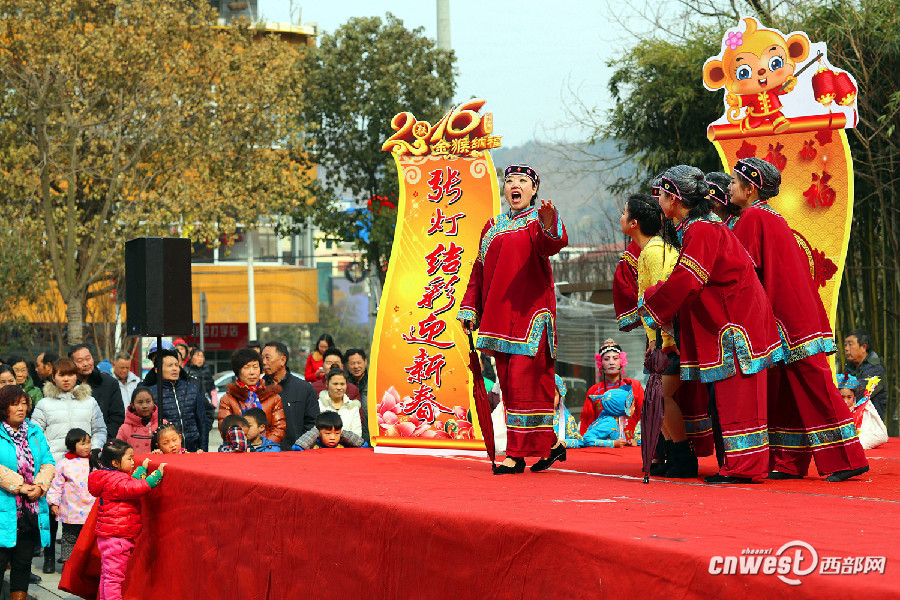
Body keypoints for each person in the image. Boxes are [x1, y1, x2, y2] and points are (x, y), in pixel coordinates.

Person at [639, 164, 785, 484]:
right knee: (733, 394)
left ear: (675, 198)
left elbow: (689, 280)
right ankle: (741, 466)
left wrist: (652, 303)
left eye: (661, 194)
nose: (658, 199)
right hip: (731, 315)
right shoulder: (699, 226)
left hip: (734, 319)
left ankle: (745, 468)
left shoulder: (702, 229)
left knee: (738, 395)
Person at [729, 157, 868, 482]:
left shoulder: (751, 218)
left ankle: (848, 459)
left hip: (788, 319)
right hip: (798, 316)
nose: (730, 187)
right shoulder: (771, 217)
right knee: (791, 390)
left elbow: (743, 276)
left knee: (817, 387)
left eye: (735, 182)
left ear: (751, 189)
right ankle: (790, 462)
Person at [458, 164, 568, 475]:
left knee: (528, 386)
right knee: (508, 386)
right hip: (497, 319)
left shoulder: (538, 222)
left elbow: (553, 243)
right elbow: (478, 272)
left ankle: (517, 454)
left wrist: (550, 221)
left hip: (531, 317)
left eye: (523, 181)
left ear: (534, 190)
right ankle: (550, 445)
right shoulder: (491, 226)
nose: (514, 185)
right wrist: (470, 307)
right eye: (509, 181)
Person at [31, 357, 106, 572]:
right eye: (61, 375)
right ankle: (48, 557)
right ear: (52, 377)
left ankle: (80, 558)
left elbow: (99, 429)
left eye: (71, 374)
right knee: (52, 512)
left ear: (77, 376)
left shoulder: (89, 401)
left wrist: (94, 450)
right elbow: (35, 434)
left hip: (84, 467)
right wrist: (45, 459)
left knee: (81, 515)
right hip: (54, 465)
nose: (67, 379)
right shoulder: (44, 404)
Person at [88, 440, 165, 600]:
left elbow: (129, 482)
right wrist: (155, 477)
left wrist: (141, 470)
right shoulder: (117, 481)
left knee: (107, 576)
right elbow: (135, 487)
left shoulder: (109, 477)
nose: (132, 462)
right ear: (116, 462)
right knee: (114, 579)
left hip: (109, 537)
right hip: (117, 538)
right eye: (129, 459)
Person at [0, 385, 55, 600]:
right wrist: (20, 486)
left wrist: (40, 486)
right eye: (15, 404)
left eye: (24, 403)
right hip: (5, 509)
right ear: (4, 408)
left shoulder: (34, 430)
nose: (21, 409)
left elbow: (48, 461)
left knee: (23, 564)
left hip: (30, 510)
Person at [579, 341, 644, 445]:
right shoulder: (594, 390)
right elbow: (587, 421)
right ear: (600, 363)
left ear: (622, 360)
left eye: (615, 358)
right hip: (604, 446)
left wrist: (639, 440)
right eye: (606, 359)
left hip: (632, 444)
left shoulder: (634, 386)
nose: (611, 362)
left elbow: (645, 416)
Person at [218, 348, 286, 445]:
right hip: (238, 452)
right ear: (238, 371)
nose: (252, 372)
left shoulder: (273, 397)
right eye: (246, 367)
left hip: (267, 452)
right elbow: (225, 429)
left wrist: (263, 447)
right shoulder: (228, 399)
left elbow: (279, 428)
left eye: (255, 367)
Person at [46, 428, 92, 564]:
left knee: (88, 540)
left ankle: (84, 566)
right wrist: (54, 503)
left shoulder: (94, 462)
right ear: (73, 445)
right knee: (69, 538)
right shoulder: (64, 464)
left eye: (89, 442)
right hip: (70, 511)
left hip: (90, 509)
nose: (87, 446)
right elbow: (56, 486)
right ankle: (68, 566)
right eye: (83, 443)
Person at [262, 342, 319, 451]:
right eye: (262, 358)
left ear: (283, 360)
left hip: (296, 454)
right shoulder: (257, 389)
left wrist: (300, 446)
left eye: (268, 358)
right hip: (264, 454)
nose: (264, 362)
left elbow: (313, 424)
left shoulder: (304, 388)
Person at [149, 350, 207, 452]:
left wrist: (203, 448)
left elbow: (202, 422)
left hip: (193, 450)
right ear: (157, 370)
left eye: (176, 365)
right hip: (166, 453)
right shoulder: (152, 393)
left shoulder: (191, 388)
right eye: (170, 365)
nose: (174, 368)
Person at [68, 345, 125, 441]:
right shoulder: (67, 386)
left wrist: (102, 440)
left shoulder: (109, 383)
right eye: (80, 361)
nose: (86, 363)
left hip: (103, 443)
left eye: (88, 358)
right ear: (71, 363)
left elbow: (117, 417)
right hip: (73, 443)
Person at [842, 330, 888, 420]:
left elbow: (856, 394)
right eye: (845, 345)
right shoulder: (849, 367)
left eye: (850, 344)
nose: (846, 349)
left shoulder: (876, 369)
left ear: (863, 347)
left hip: (870, 427)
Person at [838, 375, 887, 451]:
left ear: (854, 397)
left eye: (849, 397)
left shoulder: (861, 410)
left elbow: (880, 436)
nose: (845, 401)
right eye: (842, 397)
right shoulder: (832, 411)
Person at [116, 387, 164, 454]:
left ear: (153, 403)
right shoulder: (125, 429)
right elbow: (118, 453)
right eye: (140, 402)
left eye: (148, 401)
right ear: (133, 405)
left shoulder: (162, 424)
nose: (144, 406)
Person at [317, 368, 362, 437]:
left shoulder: (353, 407)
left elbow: (357, 435)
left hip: (348, 447)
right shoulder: (318, 405)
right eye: (335, 384)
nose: (339, 387)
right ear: (327, 384)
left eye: (342, 384)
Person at [293, 410, 364, 450]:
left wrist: (344, 434)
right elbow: (297, 448)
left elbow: (363, 445)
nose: (332, 438)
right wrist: (314, 432)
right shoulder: (313, 446)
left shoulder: (343, 445)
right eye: (327, 433)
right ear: (319, 433)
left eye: (337, 433)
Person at [552, 376, 583, 449]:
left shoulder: (566, 418)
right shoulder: (530, 417)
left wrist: (564, 443)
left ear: (559, 396)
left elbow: (579, 441)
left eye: (554, 395)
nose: (550, 398)